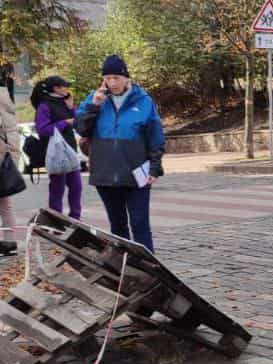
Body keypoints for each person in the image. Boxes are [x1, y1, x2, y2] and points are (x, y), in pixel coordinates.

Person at [75, 55, 165, 252]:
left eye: (116, 77)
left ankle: (149, 270)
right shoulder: (95, 99)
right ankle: (124, 269)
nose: (112, 82)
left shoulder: (143, 101)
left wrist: (155, 166)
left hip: (136, 175)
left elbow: (155, 135)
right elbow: (81, 128)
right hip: (105, 175)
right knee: (117, 226)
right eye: (107, 78)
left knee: (140, 224)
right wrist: (94, 106)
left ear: (126, 78)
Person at [31, 75, 82, 222]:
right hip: (55, 152)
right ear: (56, 88)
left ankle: (75, 219)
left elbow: (78, 123)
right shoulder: (44, 105)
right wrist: (64, 122)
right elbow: (43, 129)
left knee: (76, 187)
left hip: (70, 149)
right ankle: (56, 220)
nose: (67, 88)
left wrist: (72, 109)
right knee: (57, 188)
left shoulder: (65, 101)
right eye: (64, 86)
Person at [0, 83, 21, 255]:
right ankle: (9, 240)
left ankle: (9, 241)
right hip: (4, 156)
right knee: (5, 203)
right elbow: (12, 132)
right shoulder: (5, 99)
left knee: (5, 202)